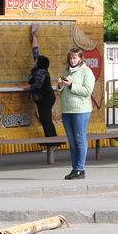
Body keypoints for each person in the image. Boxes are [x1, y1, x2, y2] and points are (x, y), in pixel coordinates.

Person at [58, 48, 96, 180]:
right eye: (70, 58)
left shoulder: (86, 71)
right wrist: (61, 86)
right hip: (67, 109)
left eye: (75, 58)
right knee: (72, 140)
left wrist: (70, 85)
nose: (72, 60)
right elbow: (63, 92)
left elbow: (87, 91)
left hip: (81, 109)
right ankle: (75, 168)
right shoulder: (66, 71)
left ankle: (80, 169)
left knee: (80, 138)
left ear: (81, 58)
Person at [21, 24, 56, 140]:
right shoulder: (40, 68)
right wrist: (33, 35)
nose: (35, 60)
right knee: (46, 119)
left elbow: (37, 85)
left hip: (45, 99)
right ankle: (54, 140)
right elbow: (35, 52)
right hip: (45, 98)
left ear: (40, 63)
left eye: (36, 60)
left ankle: (51, 142)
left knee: (45, 120)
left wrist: (26, 87)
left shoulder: (41, 72)